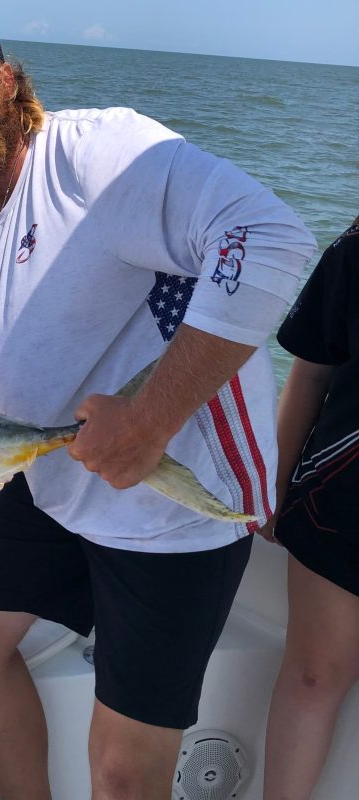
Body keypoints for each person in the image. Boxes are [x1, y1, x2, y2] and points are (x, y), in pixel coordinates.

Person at [0, 5, 318, 799]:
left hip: (176, 507)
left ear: (8, 78)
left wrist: (151, 422)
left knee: (121, 774)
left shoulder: (96, 154)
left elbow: (272, 236)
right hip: (51, 481)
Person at [261, 218, 359, 799]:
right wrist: (272, 485)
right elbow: (311, 370)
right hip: (337, 502)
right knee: (312, 675)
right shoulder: (355, 246)